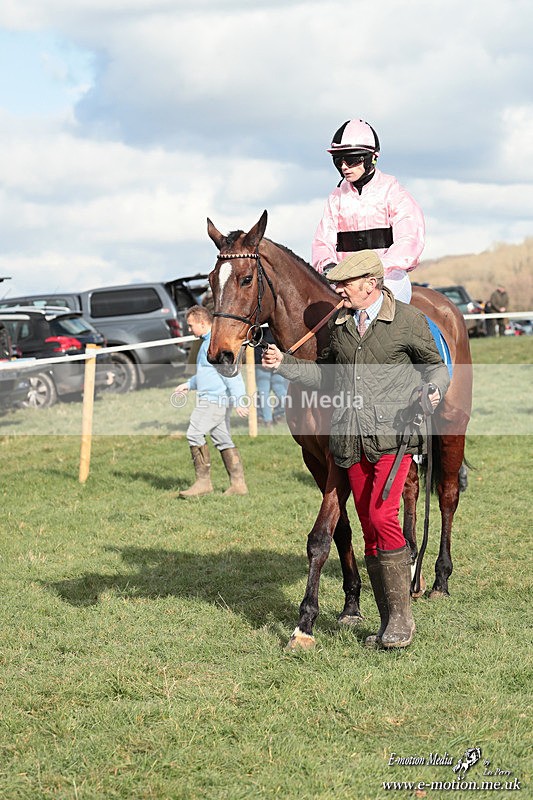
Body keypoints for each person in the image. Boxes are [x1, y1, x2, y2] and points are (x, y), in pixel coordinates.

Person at [262, 250, 450, 649]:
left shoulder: (407, 321)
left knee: (383, 514)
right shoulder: (344, 326)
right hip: (350, 439)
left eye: (346, 283)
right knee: (368, 523)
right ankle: (386, 624)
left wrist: (433, 390)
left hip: (392, 437)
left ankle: (402, 620)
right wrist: (285, 365)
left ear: (370, 284)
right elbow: (326, 377)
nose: (339, 290)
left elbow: (435, 365)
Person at [312, 118, 425, 304]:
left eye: (351, 159)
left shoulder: (395, 193)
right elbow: (322, 242)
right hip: (345, 281)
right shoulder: (335, 198)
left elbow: (409, 241)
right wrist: (328, 266)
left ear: (372, 158)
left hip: (388, 278)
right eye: (338, 160)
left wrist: (373, 269)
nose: (344, 166)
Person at [174, 305, 249, 497]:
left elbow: (231, 375)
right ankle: (238, 485)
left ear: (202, 322)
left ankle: (203, 483)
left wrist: (240, 400)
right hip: (215, 400)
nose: (189, 329)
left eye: (191, 325)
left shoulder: (215, 344)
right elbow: (207, 374)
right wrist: (189, 385)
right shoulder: (206, 344)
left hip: (213, 402)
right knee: (223, 440)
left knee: (194, 434)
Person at [254, 327, 288, 427]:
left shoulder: (258, 325)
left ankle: (267, 421)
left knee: (264, 392)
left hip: (261, 361)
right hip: (277, 359)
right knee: (280, 389)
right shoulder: (276, 324)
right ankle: (292, 412)